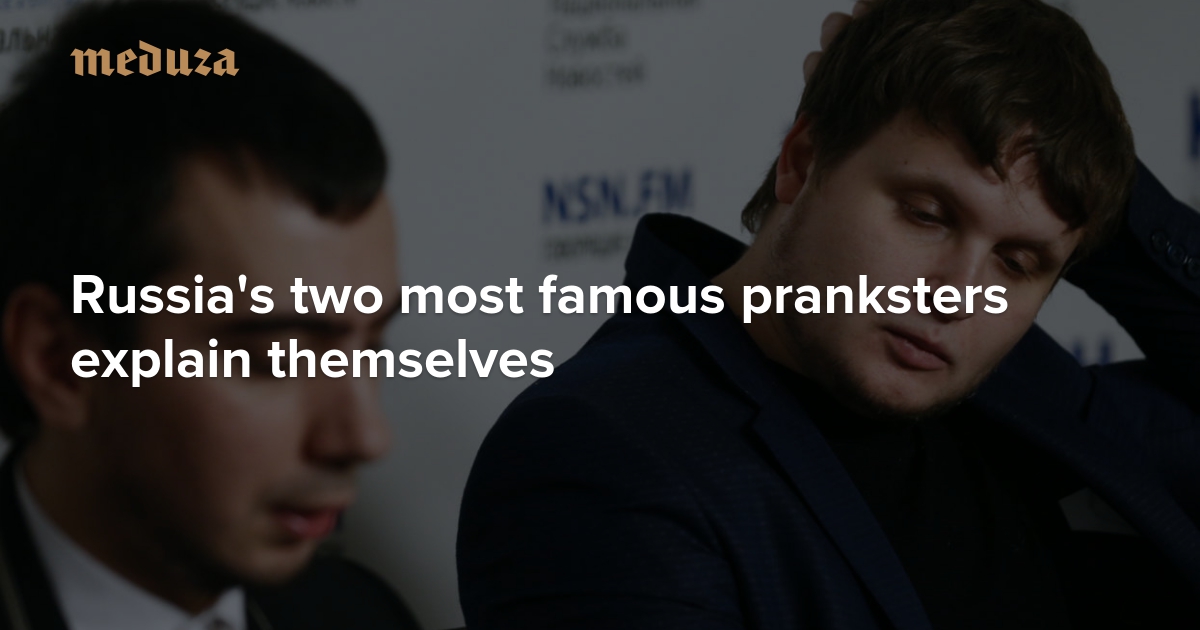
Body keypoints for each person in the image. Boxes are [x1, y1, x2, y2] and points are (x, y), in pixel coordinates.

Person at [457, 0, 1200, 628]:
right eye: (927, 215)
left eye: (1017, 262)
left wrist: (1062, 149)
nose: (955, 295)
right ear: (803, 160)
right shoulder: (599, 452)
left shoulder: (1020, 387)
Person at [0, 1, 419, 628]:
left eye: (371, 349)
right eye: (278, 357)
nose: (365, 436)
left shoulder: (357, 615)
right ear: (60, 361)